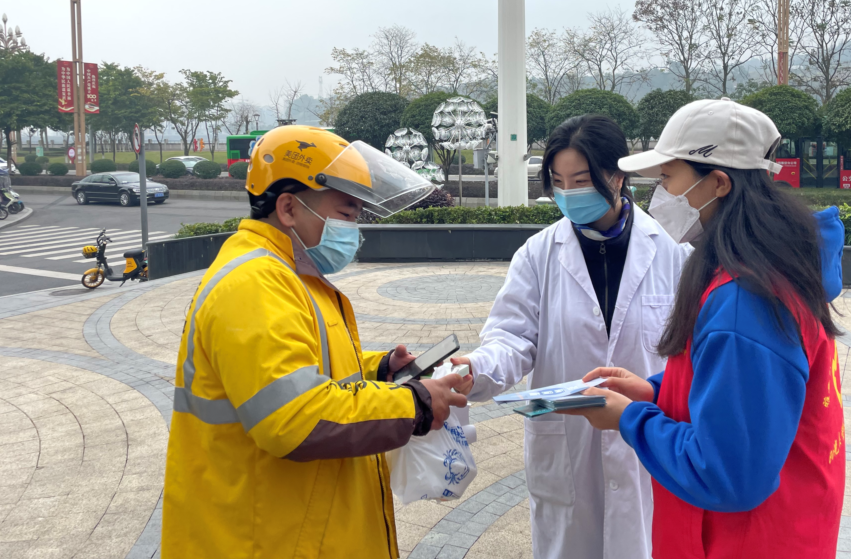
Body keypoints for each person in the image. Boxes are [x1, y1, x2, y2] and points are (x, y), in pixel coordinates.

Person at [161, 125, 470, 559]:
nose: (354, 229)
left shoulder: (290, 274)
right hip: (263, 540)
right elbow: (296, 417)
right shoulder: (255, 283)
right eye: (347, 213)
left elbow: (298, 369)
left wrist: (380, 369)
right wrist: (414, 403)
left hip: (294, 527)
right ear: (288, 208)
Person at [567, 97, 846, 559]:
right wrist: (658, 391)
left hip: (744, 544)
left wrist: (629, 418)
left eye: (667, 178)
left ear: (718, 183)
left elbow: (727, 473)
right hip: (783, 530)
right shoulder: (767, 268)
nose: (660, 195)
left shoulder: (746, 303)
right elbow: (744, 394)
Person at [452, 114, 690, 559]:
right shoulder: (538, 254)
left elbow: (691, 354)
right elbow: (512, 337)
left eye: (581, 181)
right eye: (558, 182)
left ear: (617, 176)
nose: (569, 193)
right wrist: (476, 367)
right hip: (566, 445)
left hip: (645, 442)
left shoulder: (674, 252)